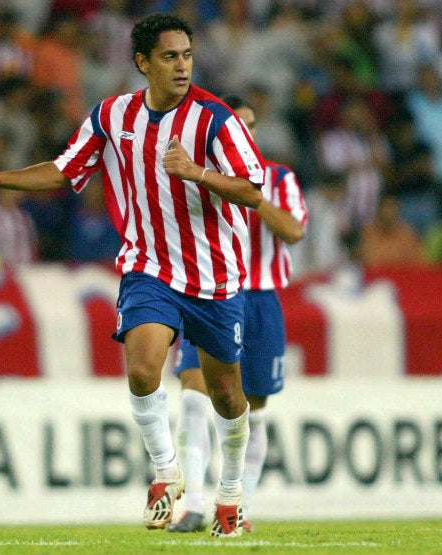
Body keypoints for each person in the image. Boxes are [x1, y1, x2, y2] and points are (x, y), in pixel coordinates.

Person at [0, 13, 265, 537]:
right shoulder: (112, 115)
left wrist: (196, 173)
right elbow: (63, 168)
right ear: (143, 63)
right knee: (143, 369)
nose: (182, 66)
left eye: (187, 55)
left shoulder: (215, 120)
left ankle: (230, 497)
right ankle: (167, 475)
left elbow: (252, 190)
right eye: (170, 57)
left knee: (229, 397)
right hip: (148, 267)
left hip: (214, 275)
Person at [167, 94, 307, 534]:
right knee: (193, 395)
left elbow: (294, 230)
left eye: (248, 124)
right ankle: (191, 505)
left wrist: (252, 194)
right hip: (208, 292)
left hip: (261, 299)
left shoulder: (277, 177)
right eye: (234, 124)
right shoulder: (198, 176)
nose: (242, 131)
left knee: (254, 409)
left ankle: (237, 505)